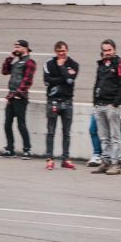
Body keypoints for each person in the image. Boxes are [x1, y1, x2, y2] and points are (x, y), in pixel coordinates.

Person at [91, 39, 121, 175]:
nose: (107, 53)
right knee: (103, 136)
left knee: (115, 136)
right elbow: (97, 83)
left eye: (109, 50)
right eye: (105, 50)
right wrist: (95, 101)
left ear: (114, 50)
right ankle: (105, 161)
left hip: (112, 106)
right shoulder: (101, 65)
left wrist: (116, 103)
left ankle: (116, 163)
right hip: (100, 105)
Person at [42, 40, 79, 170]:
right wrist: (63, 77)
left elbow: (70, 80)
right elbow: (46, 81)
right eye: (58, 51)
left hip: (67, 102)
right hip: (53, 101)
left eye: (63, 51)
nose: (61, 53)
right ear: (55, 52)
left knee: (66, 133)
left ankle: (65, 159)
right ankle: (50, 159)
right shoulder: (48, 63)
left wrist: (61, 67)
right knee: (51, 131)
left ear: (67, 50)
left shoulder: (74, 64)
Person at [0, 39, 36, 159]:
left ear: (25, 48)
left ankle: (27, 150)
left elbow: (28, 80)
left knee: (21, 124)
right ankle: (10, 149)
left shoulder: (30, 62)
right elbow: (4, 71)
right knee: (7, 124)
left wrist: (19, 93)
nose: (15, 49)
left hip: (20, 98)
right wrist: (10, 57)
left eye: (18, 47)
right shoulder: (16, 62)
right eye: (15, 47)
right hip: (11, 97)